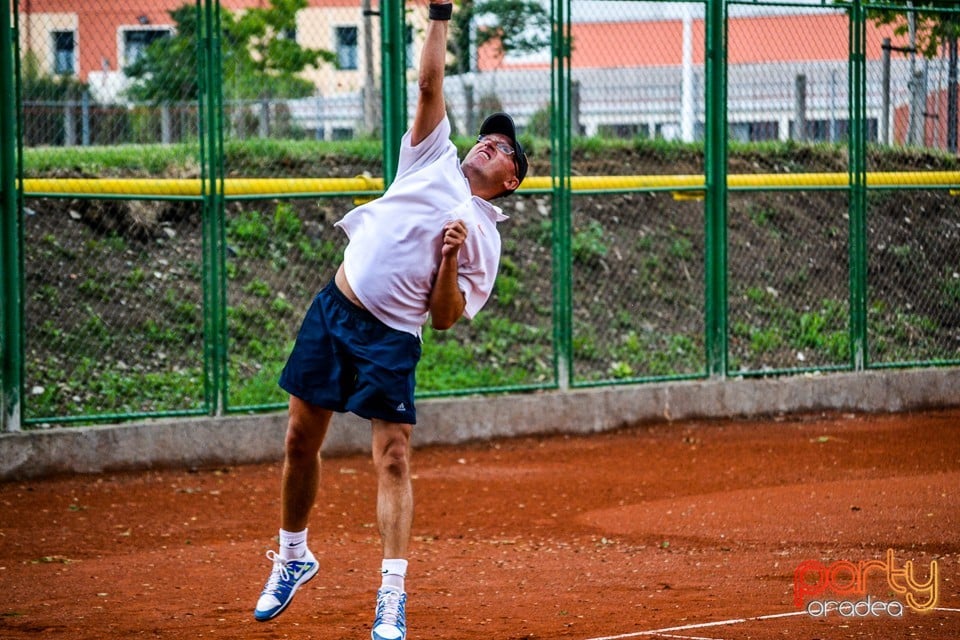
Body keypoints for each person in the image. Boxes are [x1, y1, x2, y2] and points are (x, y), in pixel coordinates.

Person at [252, 1, 528, 639]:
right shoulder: (432, 156)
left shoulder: (485, 237)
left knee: (394, 458)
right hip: (337, 307)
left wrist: (450, 257)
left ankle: (391, 597)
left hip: (392, 339)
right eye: (489, 134)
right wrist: (439, 14)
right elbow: (429, 83)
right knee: (299, 439)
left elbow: (448, 318)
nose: (492, 140)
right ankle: (294, 556)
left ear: (511, 179)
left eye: (505, 146)